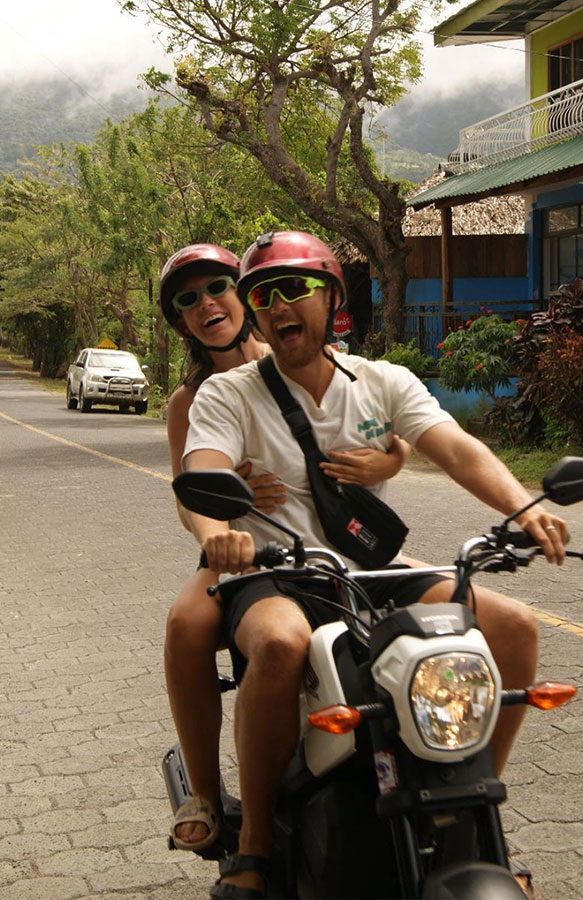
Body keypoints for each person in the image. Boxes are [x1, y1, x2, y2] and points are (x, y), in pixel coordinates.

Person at [180, 230, 567, 898]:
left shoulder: (382, 381)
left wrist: (523, 507)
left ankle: (471, 812)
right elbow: (201, 470)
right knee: (278, 642)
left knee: (513, 627)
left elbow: (456, 448)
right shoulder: (229, 394)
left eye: (293, 289)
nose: (277, 307)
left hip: (364, 569)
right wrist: (219, 532)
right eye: (263, 295)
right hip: (274, 569)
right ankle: (255, 846)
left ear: (330, 297)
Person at [159, 242, 410, 854]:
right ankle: (208, 795)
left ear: (242, 295)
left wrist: (392, 458)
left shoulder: (304, 354)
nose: (206, 305)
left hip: (329, 545)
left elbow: (391, 435)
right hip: (237, 549)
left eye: (216, 287)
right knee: (187, 623)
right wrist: (227, 511)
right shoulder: (188, 402)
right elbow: (185, 493)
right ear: (181, 321)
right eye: (188, 301)